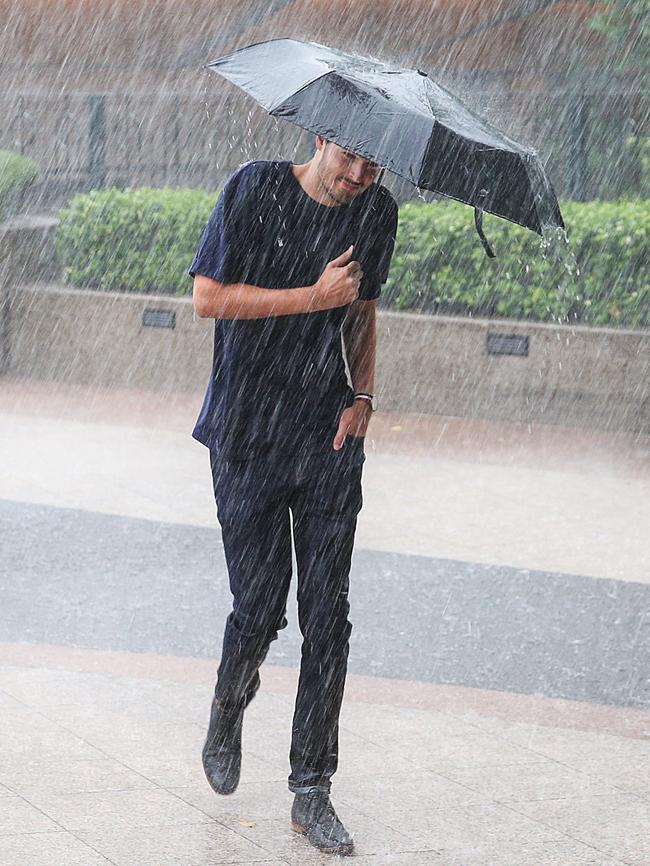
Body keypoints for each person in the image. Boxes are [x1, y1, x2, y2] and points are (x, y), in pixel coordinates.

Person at [190, 135, 398, 856]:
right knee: (259, 605)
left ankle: (312, 787)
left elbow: (362, 311)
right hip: (245, 429)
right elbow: (207, 298)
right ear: (319, 136)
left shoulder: (377, 212)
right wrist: (311, 296)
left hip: (327, 432)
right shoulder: (252, 190)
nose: (358, 175)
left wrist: (363, 394)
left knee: (328, 614)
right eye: (349, 158)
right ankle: (228, 702)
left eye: (373, 165)